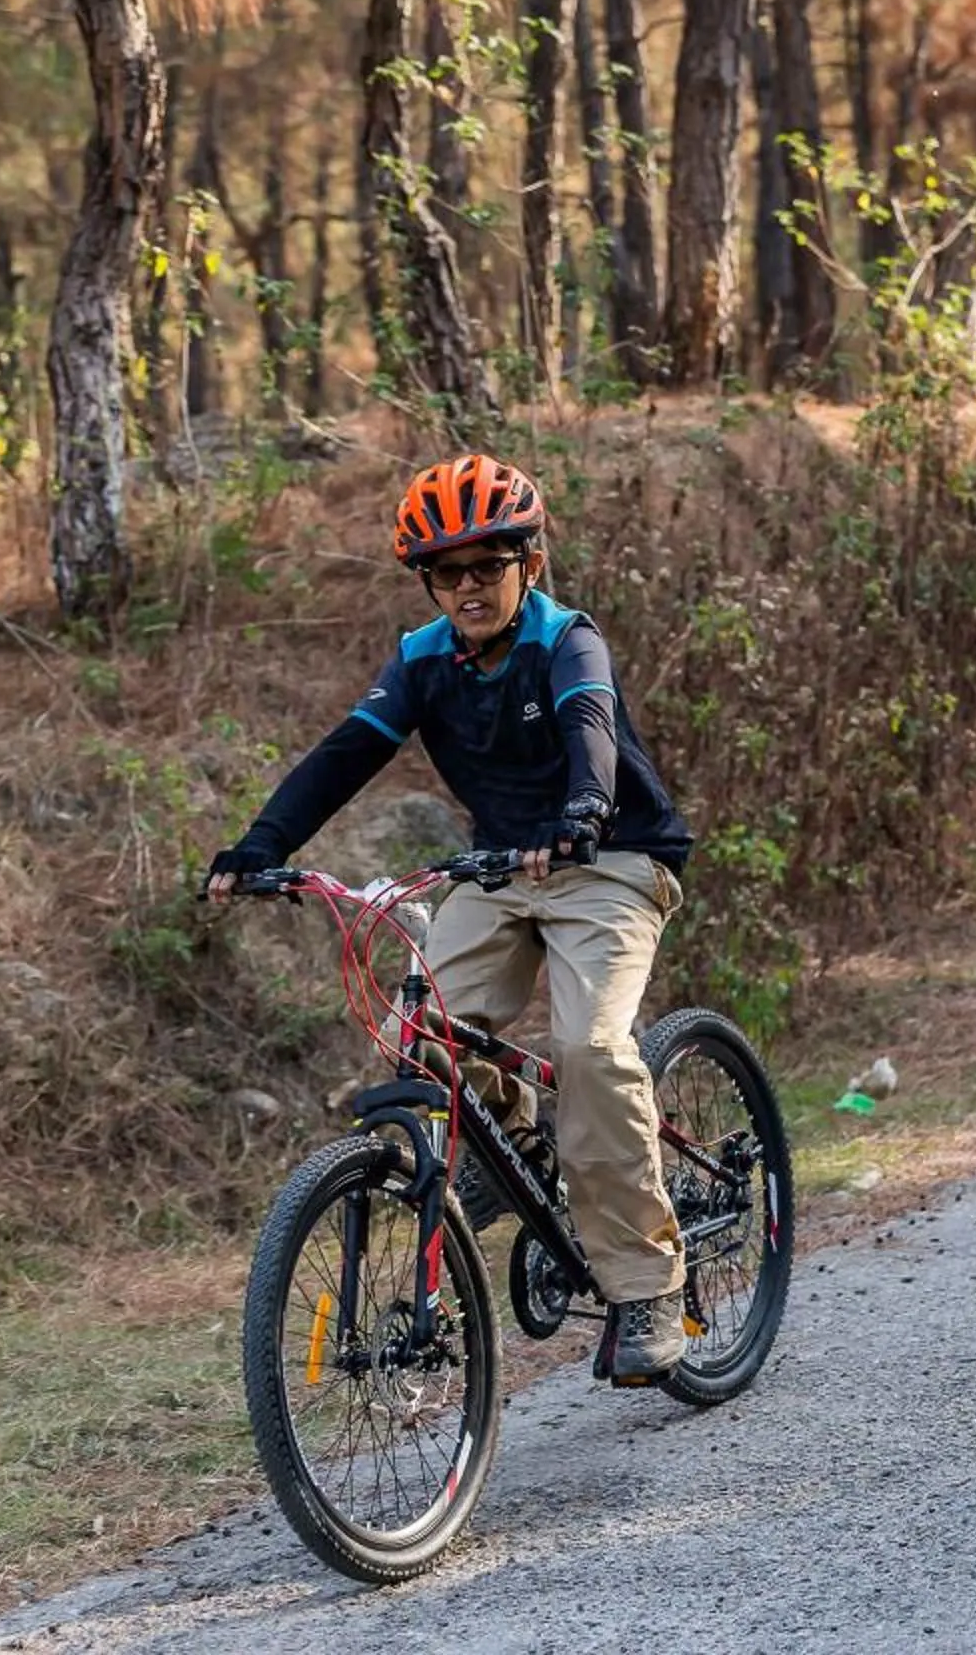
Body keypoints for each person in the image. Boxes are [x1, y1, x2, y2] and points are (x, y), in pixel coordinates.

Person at [207, 454, 699, 1383]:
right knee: (417, 1037)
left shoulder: (567, 642)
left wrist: (585, 814)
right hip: (496, 868)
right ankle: (521, 1145)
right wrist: (259, 845)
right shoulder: (423, 659)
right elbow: (345, 753)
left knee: (590, 1049)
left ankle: (646, 1287)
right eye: (447, 571)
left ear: (529, 563)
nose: (468, 586)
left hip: (610, 861)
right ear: (428, 581)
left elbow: (590, 732)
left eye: (487, 564)